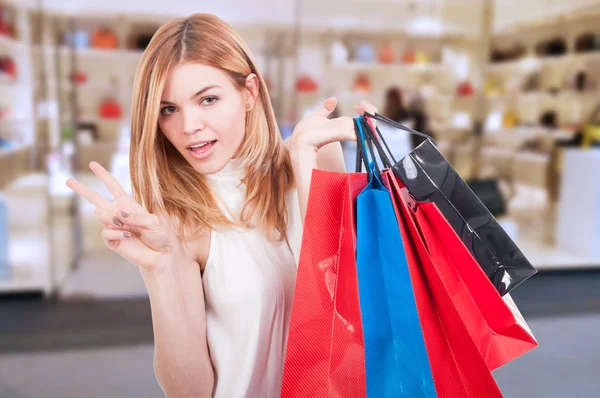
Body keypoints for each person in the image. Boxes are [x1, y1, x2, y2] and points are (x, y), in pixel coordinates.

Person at [65, 13, 376, 397]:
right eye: (168, 109)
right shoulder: (176, 220)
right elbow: (190, 392)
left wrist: (303, 160)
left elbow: (350, 318)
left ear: (249, 93)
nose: (188, 125)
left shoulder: (314, 160)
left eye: (208, 99)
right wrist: (159, 270)